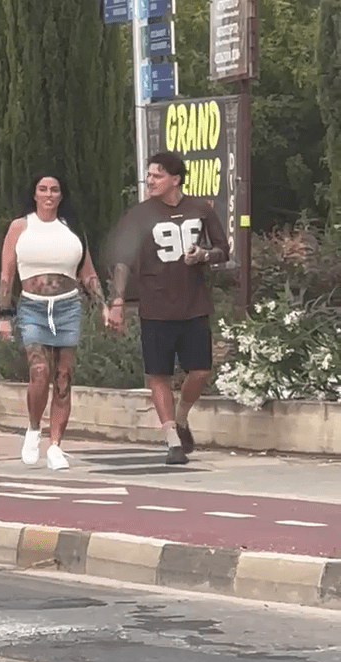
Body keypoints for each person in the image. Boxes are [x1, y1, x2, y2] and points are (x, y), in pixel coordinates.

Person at [107, 151, 229, 464]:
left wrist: (202, 255)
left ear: (175, 179)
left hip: (193, 304)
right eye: (149, 175)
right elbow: (123, 260)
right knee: (157, 373)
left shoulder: (200, 208)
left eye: (157, 175)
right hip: (155, 305)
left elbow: (222, 250)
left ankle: (182, 417)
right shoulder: (140, 214)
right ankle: (171, 438)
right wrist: (117, 300)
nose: (150, 181)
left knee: (200, 370)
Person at [0, 173, 108, 470]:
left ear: (61, 195)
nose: (48, 194)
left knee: (63, 378)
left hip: (67, 307)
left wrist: (103, 306)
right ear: (34, 194)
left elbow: (88, 273)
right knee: (39, 370)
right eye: (43, 189)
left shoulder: (71, 230)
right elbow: (7, 274)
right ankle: (34, 428)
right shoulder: (20, 227)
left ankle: (56, 444)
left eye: (54, 190)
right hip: (32, 307)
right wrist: (5, 315)